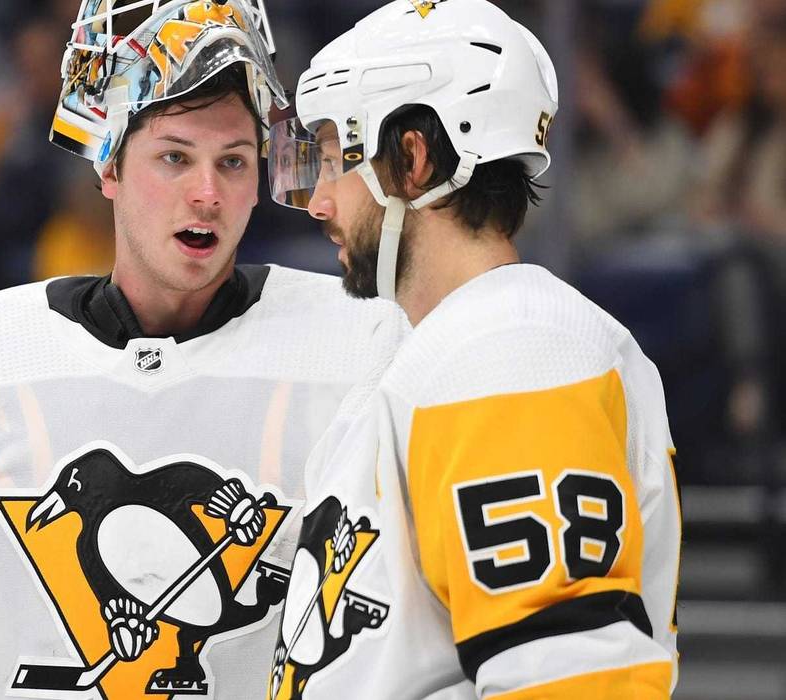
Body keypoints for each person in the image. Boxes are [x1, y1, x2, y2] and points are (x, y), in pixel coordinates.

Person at [0, 0, 408, 698]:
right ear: (107, 166)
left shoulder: (366, 352)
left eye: (233, 162)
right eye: (174, 157)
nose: (208, 193)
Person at [264, 1, 681, 697]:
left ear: (411, 159)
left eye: (333, 159)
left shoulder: (509, 351)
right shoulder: (455, 348)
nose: (317, 203)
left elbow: (567, 682)